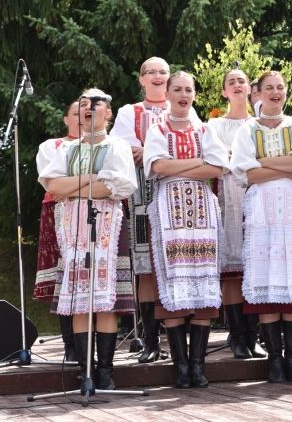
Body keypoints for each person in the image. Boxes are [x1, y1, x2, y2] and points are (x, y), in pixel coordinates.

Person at [39, 88, 137, 391]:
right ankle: (86, 373)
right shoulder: (66, 150)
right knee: (79, 302)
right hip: (73, 232)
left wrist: (76, 187)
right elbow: (54, 185)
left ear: (107, 113)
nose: (88, 109)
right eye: (83, 105)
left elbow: (119, 186)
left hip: (108, 228)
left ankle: (105, 372)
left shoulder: (117, 146)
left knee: (105, 303)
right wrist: (94, 180)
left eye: (96, 105)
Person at [231, 71, 292, 384]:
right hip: (261, 211)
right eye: (268, 88)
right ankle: (274, 360)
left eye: (280, 87)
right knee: (268, 278)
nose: (275, 92)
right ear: (257, 93)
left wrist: (264, 164)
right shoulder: (246, 129)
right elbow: (246, 174)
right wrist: (284, 163)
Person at [143, 71, 229, 388]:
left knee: (205, 280)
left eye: (188, 90)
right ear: (166, 93)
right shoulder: (157, 129)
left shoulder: (205, 129)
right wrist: (196, 163)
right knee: (175, 282)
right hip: (170, 213)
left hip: (203, 212)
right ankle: (181, 366)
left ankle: (197, 365)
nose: (183, 94)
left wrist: (178, 165)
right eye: (177, 89)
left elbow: (217, 167)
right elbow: (158, 167)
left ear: (194, 94)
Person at [110, 57, 197, 365]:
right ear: (142, 79)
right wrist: (163, 153)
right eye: (152, 72)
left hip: (179, 197)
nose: (158, 76)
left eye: (163, 71)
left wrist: (153, 153)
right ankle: (150, 340)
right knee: (146, 268)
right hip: (144, 198)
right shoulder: (128, 112)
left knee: (180, 262)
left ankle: (179, 339)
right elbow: (126, 153)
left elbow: (196, 145)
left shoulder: (186, 107)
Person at [206, 68, 266, 359]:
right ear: (224, 92)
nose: (237, 85)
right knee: (232, 271)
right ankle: (238, 337)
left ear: (250, 89)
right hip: (229, 198)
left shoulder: (261, 123)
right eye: (231, 82)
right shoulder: (215, 124)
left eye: (242, 80)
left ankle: (254, 335)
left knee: (256, 267)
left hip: (260, 196)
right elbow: (217, 160)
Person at [34, 100, 80, 363]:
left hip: (96, 214)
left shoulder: (106, 145)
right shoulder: (52, 146)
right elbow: (54, 183)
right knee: (66, 280)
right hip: (59, 213)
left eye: (86, 113)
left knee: (91, 276)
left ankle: (90, 346)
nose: (82, 118)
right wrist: (90, 184)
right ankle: (71, 347)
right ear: (65, 119)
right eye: (76, 113)